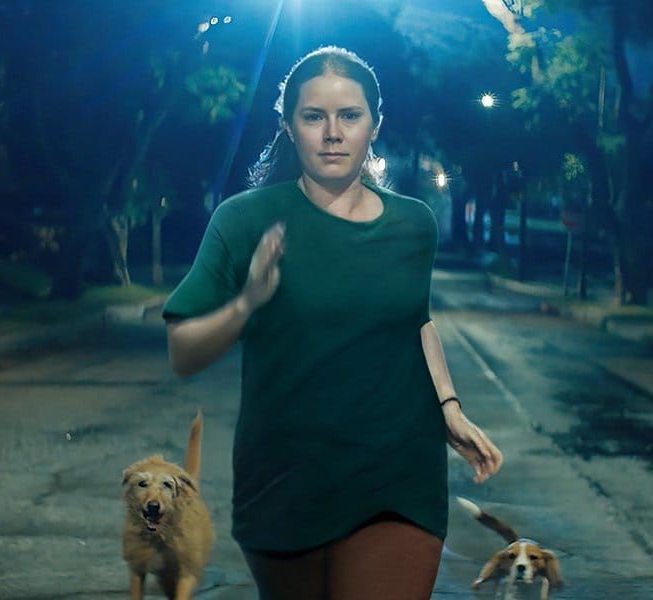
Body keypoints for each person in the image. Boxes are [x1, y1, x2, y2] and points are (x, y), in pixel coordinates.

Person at [161, 46, 503, 600]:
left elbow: (415, 322)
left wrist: (449, 406)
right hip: (284, 482)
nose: (332, 133)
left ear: (374, 126)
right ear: (289, 127)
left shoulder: (414, 224)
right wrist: (246, 304)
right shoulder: (243, 220)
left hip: (399, 476)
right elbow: (183, 349)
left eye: (349, 115)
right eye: (313, 116)